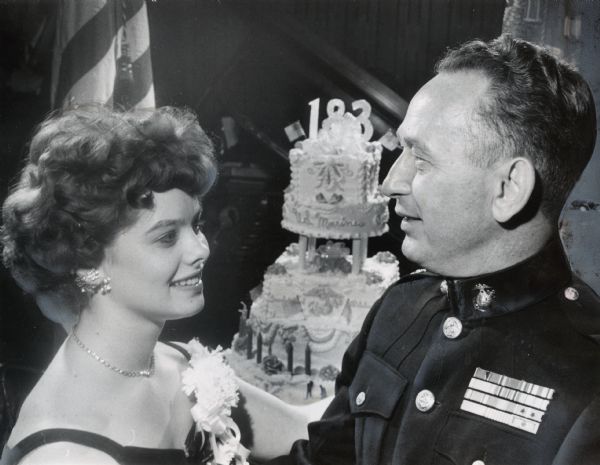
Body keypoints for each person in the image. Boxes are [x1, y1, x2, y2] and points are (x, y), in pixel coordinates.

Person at [263, 35, 600, 465]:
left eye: (420, 160)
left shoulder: (588, 383)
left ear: (508, 189)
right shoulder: (399, 309)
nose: (390, 183)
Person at [0, 105, 233, 465]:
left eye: (196, 226)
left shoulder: (181, 364)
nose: (201, 249)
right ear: (86, 257)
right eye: (168, 237)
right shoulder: (64, 457)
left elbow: (314, 426)